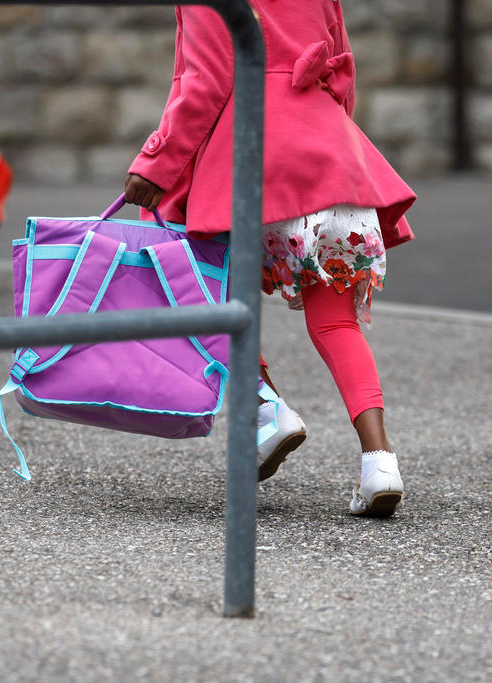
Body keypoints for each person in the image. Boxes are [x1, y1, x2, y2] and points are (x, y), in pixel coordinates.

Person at [124, 2, 416, 517]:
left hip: (248, 148)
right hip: (325, 145)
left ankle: (266, 407)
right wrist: (328, 138)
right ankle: (380, 462)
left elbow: (208, 79)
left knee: (195, 281)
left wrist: (157, 160)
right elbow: (342, 65)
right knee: (336, 323)